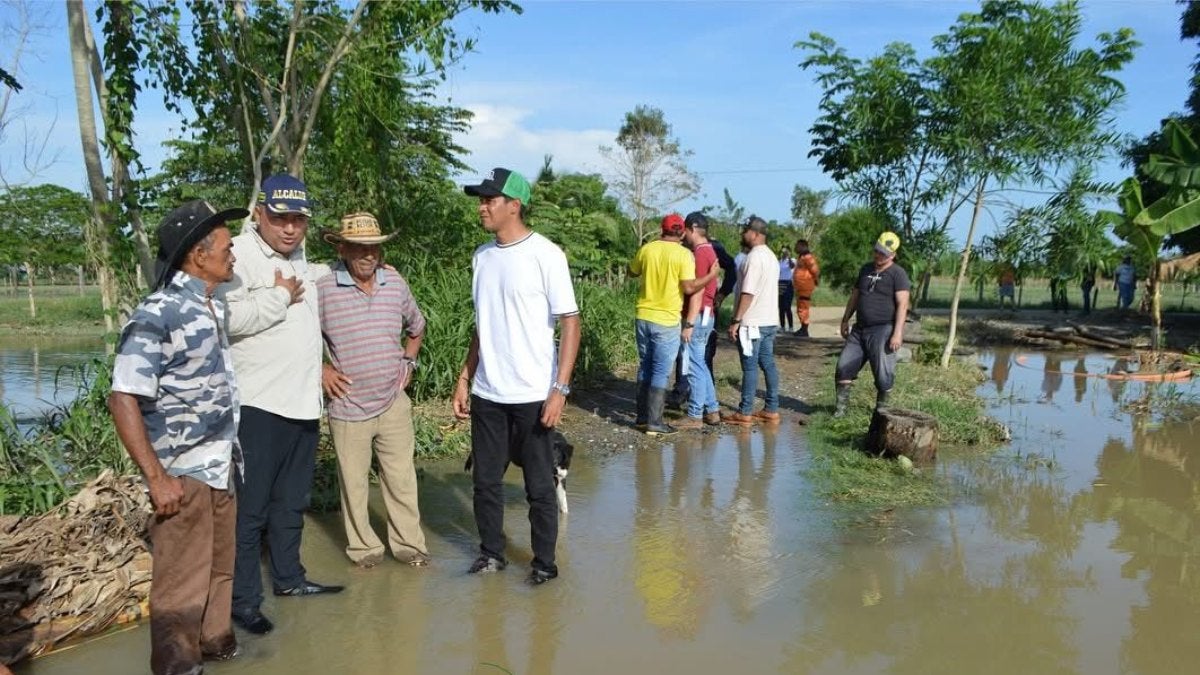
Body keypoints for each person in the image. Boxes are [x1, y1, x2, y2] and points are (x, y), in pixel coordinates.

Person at [109, 200, 247, 674]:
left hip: (220, 468)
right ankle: (177, 667)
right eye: (227, 247)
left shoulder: (209, 305)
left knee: (220, 574)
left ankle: (217, 649)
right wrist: (156, 478)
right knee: (178, 593)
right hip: (182, 475)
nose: (233, 255)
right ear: (198, 254)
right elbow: (123, 396)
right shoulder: (159, 312)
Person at [223, 175, 342, 636]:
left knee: (292, 502)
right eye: (280, 218)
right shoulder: (238, 254)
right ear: (259, 214)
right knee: (250, 510)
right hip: (258, 404)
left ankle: (290, 580)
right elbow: (227, 318)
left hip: (302, 402)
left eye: (299, 220)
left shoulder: (298, 257)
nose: (290, 228)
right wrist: (277, 297)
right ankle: (244, 601)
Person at [451, 167, 581, 585]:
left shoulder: (546, 255)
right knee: (485, 482)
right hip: (489, 392)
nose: (482, 206)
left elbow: (570, 322)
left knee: (540, 487)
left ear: (514, 205)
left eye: (490, 199)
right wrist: (465, 377)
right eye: (481, 199)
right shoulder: (481, 257)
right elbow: (481, 323)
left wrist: (559, 389)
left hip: (533, 393)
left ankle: (544, 563)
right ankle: (492, 553)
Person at [318, 212, 430, 570]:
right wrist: (321, 369)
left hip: (393, 402)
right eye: (360, 248)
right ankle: (365, 550)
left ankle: (409, 546)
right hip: (348, 406)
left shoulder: (394, 282)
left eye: (374, 249)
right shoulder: (323, 287)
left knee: (401, 480)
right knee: (353, 485)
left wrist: (409, 363)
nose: (368, 255)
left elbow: (417, 325)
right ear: (342, 248)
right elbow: (298, 338)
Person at [628, 213, 716, 435]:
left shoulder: (647, 249)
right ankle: (655, 422)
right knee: (660, 370)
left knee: (645, 365)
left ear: (662, 229)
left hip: (643, 316)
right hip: (667, 320)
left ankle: (641, 417)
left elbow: (631, 271)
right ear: (681, 232)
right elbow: (688, 287)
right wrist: (711, 275)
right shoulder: (684, 254)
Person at [833, 231, 911, 417]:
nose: (878, 255)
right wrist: (845, 319)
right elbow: (855, 296)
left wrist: (897, 333)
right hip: (859, 329)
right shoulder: (866, 269)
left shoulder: (898, 274)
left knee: (883, 376)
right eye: (877, 251)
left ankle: (881, 412)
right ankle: (840, 411)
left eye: (883, 253)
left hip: (883, 329)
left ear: (892, 255)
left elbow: (903, 305)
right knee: (843, 367)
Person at [723, 216, 781, 426]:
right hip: (769, 321)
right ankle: (772, 408)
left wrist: (736, 320)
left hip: (751, 323)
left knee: (749, 367)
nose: (742, 234)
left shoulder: (754, 258)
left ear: (755, 234)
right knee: (767, 363)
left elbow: (747, 293)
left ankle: (745, 411)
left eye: (745, 230)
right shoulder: (771, 257)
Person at [673, 213, 723, 429]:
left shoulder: (701, 253)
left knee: (694, 364)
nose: (683, 234)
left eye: (684, 229)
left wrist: (689, 323)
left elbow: (697, 291)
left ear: (692, 228)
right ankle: (711, 409)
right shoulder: (707, 251)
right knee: (700, 363)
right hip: (706, 314)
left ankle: (694, 414)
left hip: (699, 315)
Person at [792, 239, 820, 337]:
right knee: (800, 308)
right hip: (800, 287)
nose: (795, 247)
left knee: (803, 308)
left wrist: (816, 280)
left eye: (797, 246)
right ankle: (803, 328)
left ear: (803, 246)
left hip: (805, 287)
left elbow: (815, 270)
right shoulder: (801, 257)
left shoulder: (808, 257)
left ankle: (804, 330)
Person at [777, 244, 796, 332]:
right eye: (783, 251)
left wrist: (788, 257)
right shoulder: (779, 261)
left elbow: (792, 266)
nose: (783, 253)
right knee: (781, 307)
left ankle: (791, 326)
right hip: (780, 284)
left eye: (785, 251)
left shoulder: (792, 260)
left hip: (788, 284)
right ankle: (782, 326)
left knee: (787, 306)